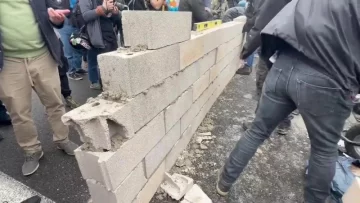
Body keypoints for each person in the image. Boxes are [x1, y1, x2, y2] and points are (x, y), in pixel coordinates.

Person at [217, 0, 360, 203]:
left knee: (257, 130)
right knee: (324, 149)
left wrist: (252, 50)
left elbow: (269, 14)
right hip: (331, 76)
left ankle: (224, 182)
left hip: (284, 67)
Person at [0, 0, 79, 176]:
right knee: (19, 112)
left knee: (55, 102)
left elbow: (55, 14)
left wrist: (57, 19)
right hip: (9, 62)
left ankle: (62, 139)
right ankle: (31, 150)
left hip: (42, 54)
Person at [79, 0, 121, 90]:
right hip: (95, 37)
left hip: (110, 36)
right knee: (98, 64)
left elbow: (114, 19)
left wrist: (115, 12)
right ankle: (98, 84)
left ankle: (114, 86)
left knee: (113, 63)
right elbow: (85, 16)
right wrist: (102, 9)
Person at [57, 0, 88, 81]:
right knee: (69, 50)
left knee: (77, 47)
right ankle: (71, 71)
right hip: (66, 23)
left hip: (75, 23)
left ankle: (77, 68)